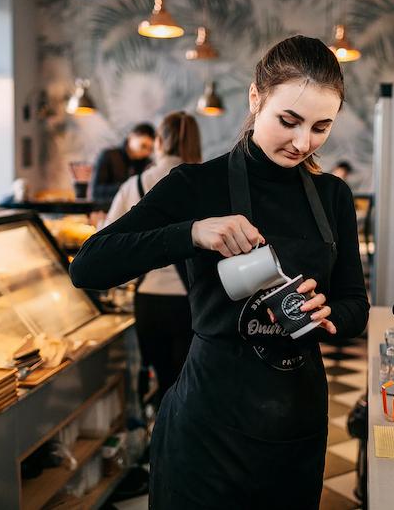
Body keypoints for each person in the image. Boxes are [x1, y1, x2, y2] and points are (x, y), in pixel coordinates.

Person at [70, 35, 369, 509]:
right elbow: (89, 265)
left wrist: (328, 312)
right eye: (288, 121)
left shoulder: (332, 196)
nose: (302, 142)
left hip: (297, 426)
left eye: (320, 127)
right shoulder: (196, 185)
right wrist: (191, 232)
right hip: (208, 429)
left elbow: (356, 308)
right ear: (255, 98)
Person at [105, 111, 202, 405]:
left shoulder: (133, 186)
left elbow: (106, 242)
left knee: (161, 383)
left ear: (159, 141)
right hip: (193, 301)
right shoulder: (203, 182)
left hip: (149, 300)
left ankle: (159, 443)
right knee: (190, 383)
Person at [91, 122, 155, 209]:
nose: (147, 152)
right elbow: (96, 192)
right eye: (143, 146)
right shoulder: (108, 155)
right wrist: (126, 187)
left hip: (133, 211)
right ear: (131, 137)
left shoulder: (147, 163)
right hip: (106, 210)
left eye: (150, 149)